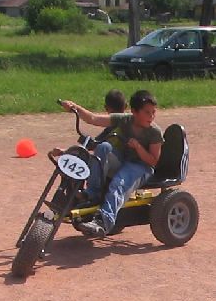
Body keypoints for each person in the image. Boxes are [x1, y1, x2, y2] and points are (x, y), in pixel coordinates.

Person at [55, 89, 163, 237]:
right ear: (134, 112)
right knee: (103, 147)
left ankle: (104, 222)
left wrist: (138, 147)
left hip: (141, 166)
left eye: (153, 112)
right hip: (122, 160)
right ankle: (92, 193)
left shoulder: (155, 132)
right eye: (147, 112)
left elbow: (154, 161)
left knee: (118, 182)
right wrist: (75, 107)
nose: (151, 116)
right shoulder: (125, 119)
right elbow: (93, 119)